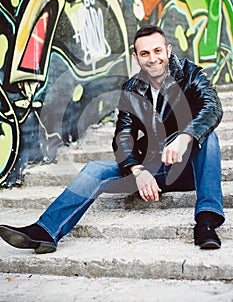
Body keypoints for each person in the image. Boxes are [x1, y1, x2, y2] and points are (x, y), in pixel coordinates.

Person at [0, 25, 224, 253]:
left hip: (188, 169)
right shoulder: (132, 89)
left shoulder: (191, 74)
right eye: (145, 54)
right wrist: (138, 170)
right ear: (136, 58)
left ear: (168, 50)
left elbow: (212, 107)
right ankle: (45, 231)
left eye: (157, 51)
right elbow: (123, 135)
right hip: (155, 171)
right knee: (95, 168)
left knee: (208, 136)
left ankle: (206, 222)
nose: (153, 58)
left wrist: (186, 136)